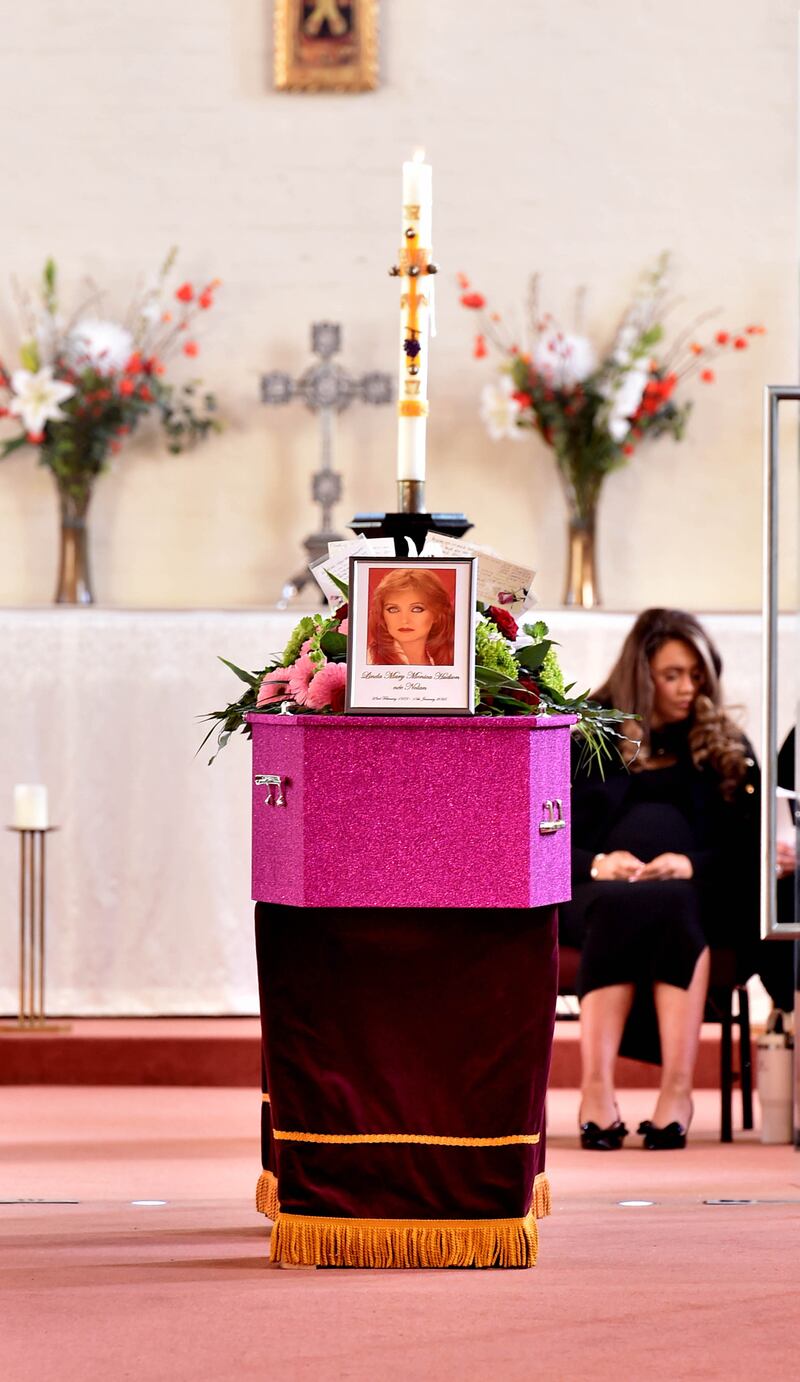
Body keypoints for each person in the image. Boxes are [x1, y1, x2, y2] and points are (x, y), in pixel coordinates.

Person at [560, 608, 760, 1150]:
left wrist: (692, 863)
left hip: (694, 895)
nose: (688, 688)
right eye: (673, 674)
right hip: (594, 890)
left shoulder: (725, 747)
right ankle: (596, 1088)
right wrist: (600, 864)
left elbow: (750, 848)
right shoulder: (587, 736)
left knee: (671, 900)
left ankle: (676, 1090)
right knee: (620, 902)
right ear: (640, 673)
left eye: (697, 676)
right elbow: (543, 830)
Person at [367, 568, 455, 666]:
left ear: (437, 614)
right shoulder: (369, 662)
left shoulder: (449, 660)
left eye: (417, 609)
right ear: (382, 615)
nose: (404, 620)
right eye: (393, 609)